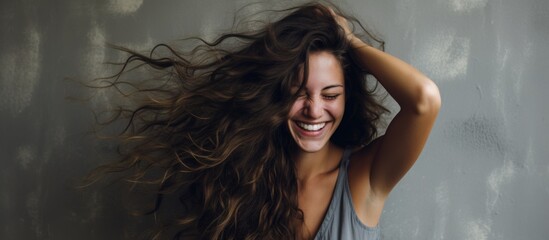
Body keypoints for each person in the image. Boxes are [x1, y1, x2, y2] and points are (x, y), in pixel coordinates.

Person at [85, 2, 440, 240]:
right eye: (298, 93)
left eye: (330, 95)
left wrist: (345, 40)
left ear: (349, 96)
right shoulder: (247, 179)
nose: (314, 110)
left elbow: (424, 100)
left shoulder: (366, 177)